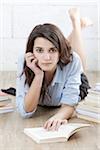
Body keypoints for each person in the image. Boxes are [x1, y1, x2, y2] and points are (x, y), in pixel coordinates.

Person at [16, 8, 91, 131]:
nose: (46, 58)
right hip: (51, 64)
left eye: (53, 50)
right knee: (60, 44)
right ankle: (77, 27)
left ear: (59, 52)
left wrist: (58, 117)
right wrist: (38, 75)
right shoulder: (24, 60)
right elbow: (25, 112)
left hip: (73, 75)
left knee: (78, 60)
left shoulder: (72, 61)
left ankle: (76, 25)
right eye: (39, 50)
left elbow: (70, 104)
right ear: (32, 51)